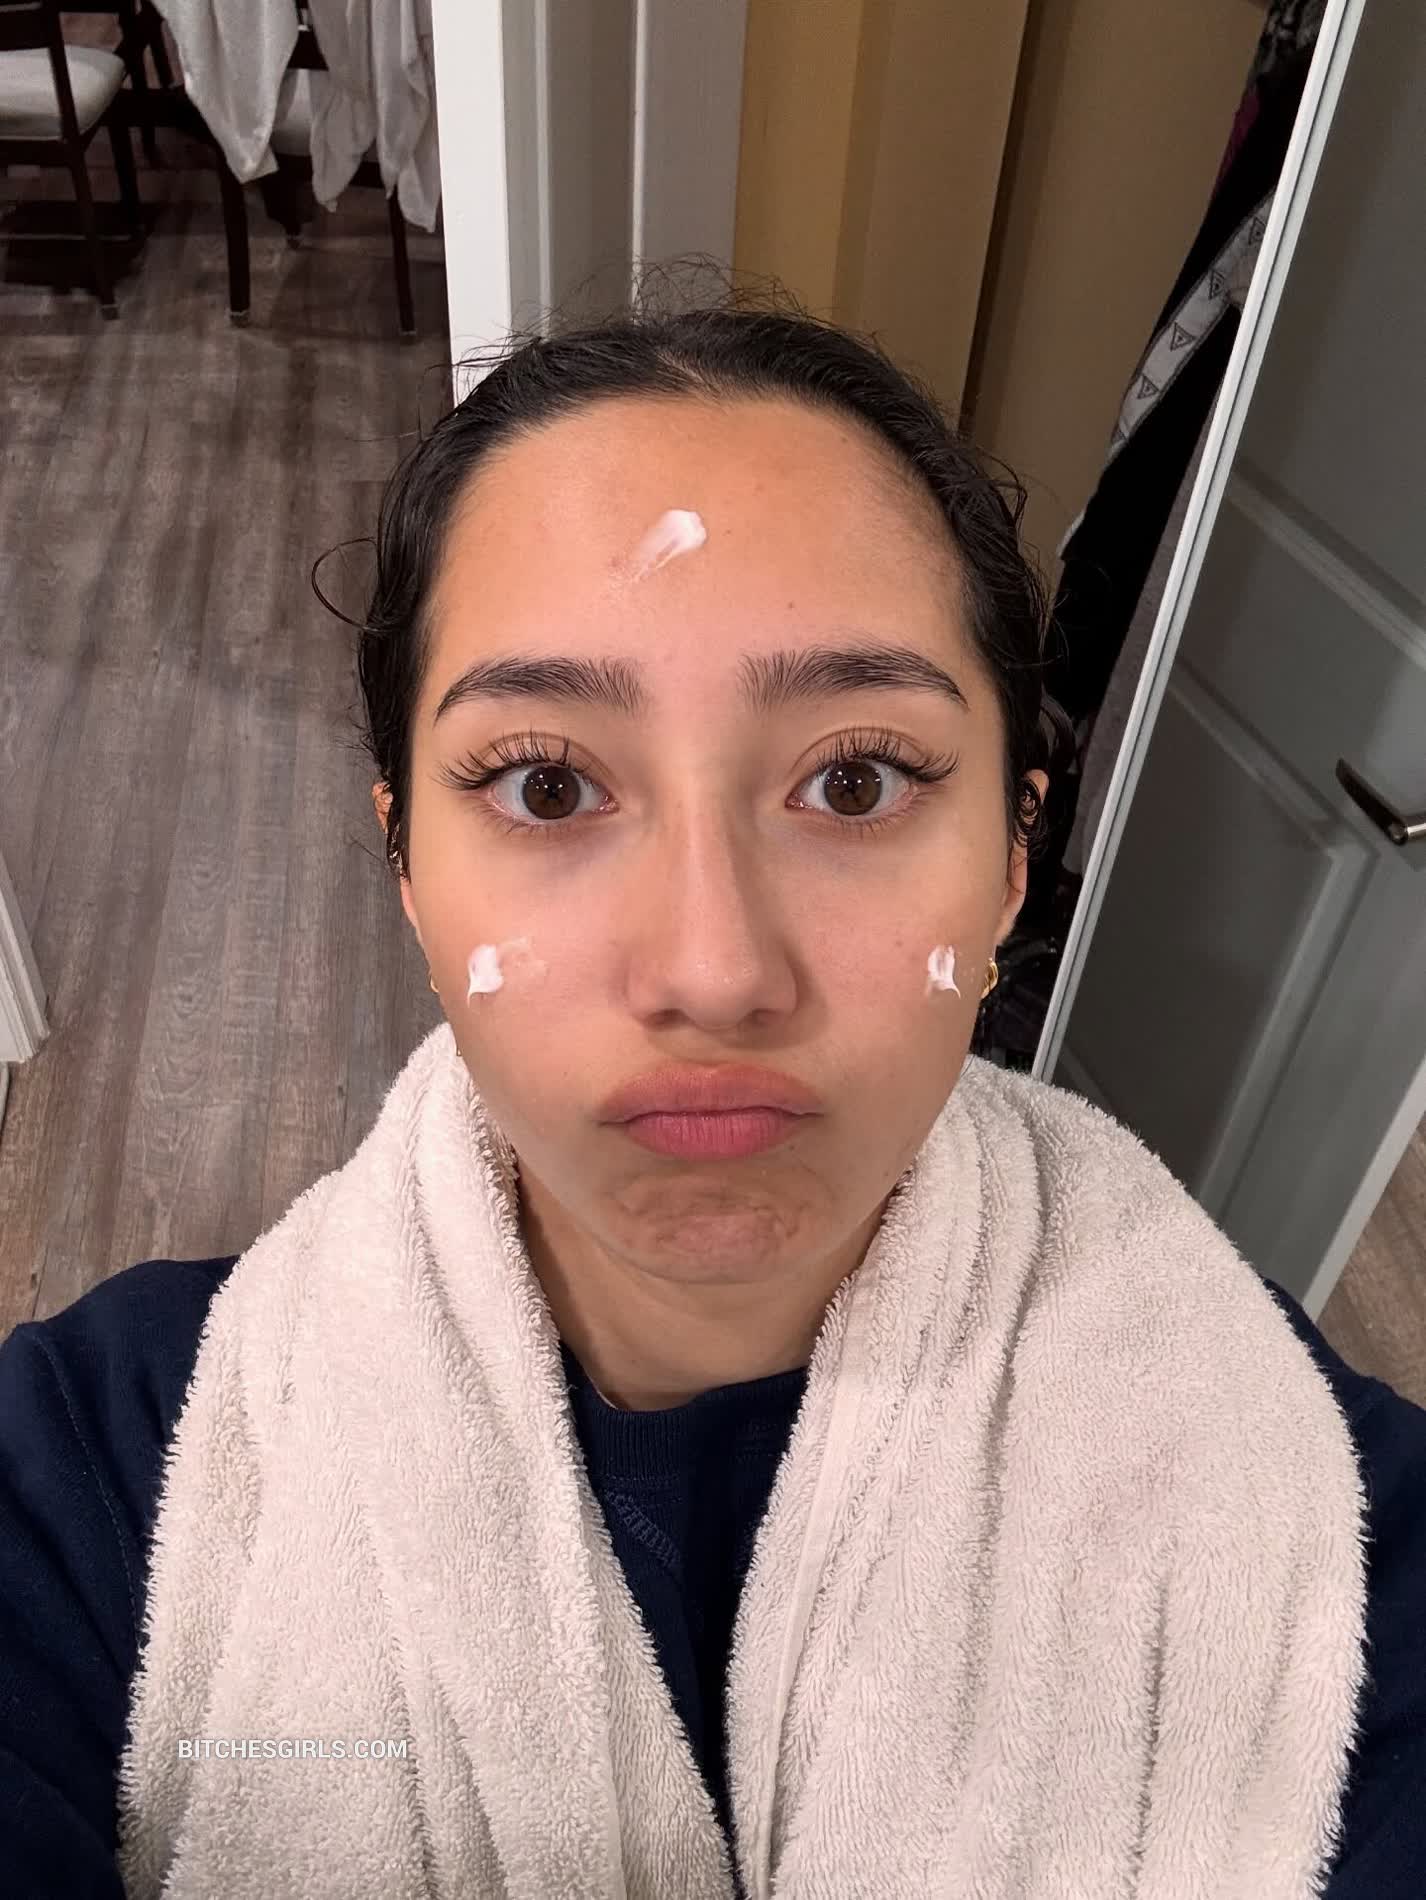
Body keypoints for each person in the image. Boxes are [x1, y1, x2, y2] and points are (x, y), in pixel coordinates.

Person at [1, 301, 1422, 1898]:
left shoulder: (1305, 1506)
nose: (715, 971)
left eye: (854, 781)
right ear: (405, 863)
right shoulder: (96, 1473)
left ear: (1014, 858)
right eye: (547, 785)